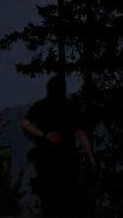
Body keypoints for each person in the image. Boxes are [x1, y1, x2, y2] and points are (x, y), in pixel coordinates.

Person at [21, 76, 95, 216]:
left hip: (46, 159)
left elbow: (25, 124)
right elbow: (81, 132)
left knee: (49, 199)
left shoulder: (40, 106)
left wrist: (43, 135)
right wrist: (90, 156)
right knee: (67, 198)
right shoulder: (70, 107)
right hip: (67, 159)